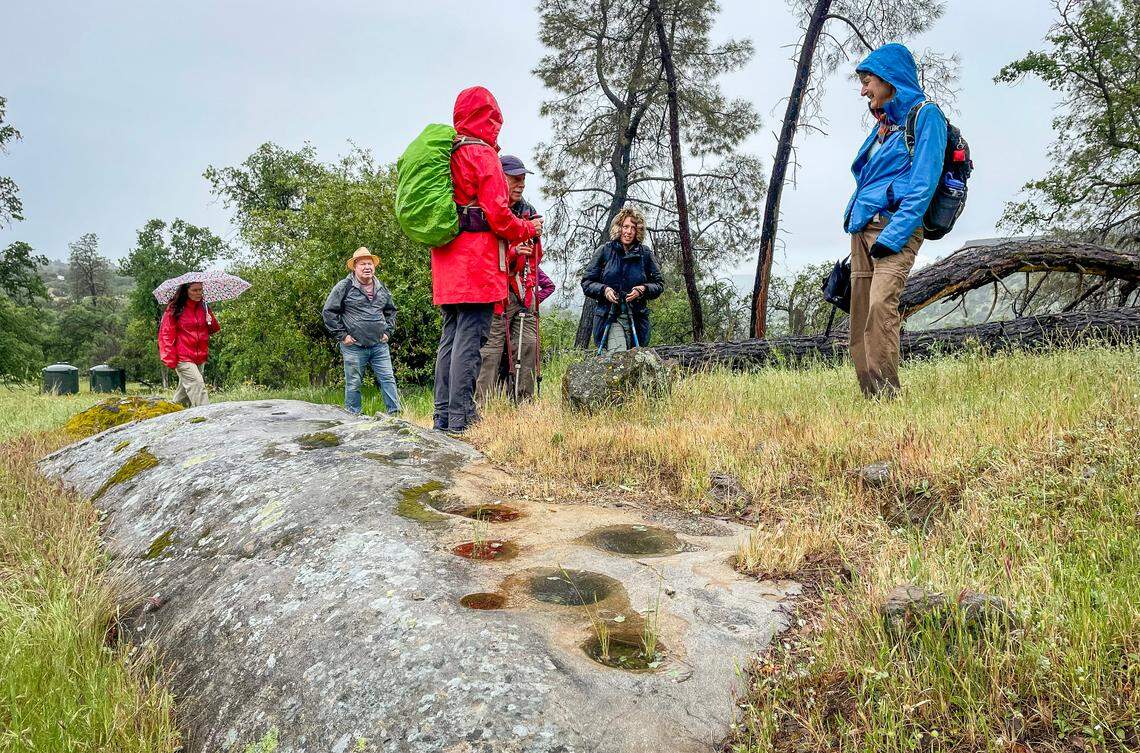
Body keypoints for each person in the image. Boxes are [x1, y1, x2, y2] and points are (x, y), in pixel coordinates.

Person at [431, 87, 542, 434]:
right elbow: (498, 214)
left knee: (450, 336)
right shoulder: (482, 155)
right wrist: (525, 228)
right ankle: (461, 417)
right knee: (471, 337)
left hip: (448, 258)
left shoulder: (449, 153)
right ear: (490, 118)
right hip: (475, 262)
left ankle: (442, 415)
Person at [844, 43, 947, 398]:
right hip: (862, 228)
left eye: (867, 80)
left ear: (889, 79)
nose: (863, 89)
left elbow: (924, 182)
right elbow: (869, 179)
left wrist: (897, 232)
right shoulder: (885, 126)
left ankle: (888, 396)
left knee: (880, 305)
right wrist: (853, 220)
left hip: (895, 228)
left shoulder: (926, 115)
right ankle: (870, 396)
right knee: (859, 315)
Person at [475, 154, 556, 402]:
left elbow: (536, 256)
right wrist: (512, 252)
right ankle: (483, 405)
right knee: (491, 351)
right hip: (497, 293)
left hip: (524, 291)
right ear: (501, 178)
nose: (521, 184)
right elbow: (485, 254)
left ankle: (524, 404)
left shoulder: (528, 211)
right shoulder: (489, 208)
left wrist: (533, 239)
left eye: (523, 179)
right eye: (515, 179)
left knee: (528, 345)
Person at [321, 247, 401, 416]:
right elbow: (328, 312)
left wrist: (388, 332)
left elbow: (391, 311)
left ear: (374, 266)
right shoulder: (344, 286)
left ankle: (395, 416)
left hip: (379, 345)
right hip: (354, 346)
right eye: (363, 264)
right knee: (354, 383)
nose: (367, 267)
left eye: (370, 263)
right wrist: (342, 336)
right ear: (354, 267)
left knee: (388, 379)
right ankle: (353, 417)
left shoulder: (381, 287)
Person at [581, 206, 664, 352]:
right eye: (626, 226)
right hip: (610, 316)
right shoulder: (604, 251)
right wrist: (604, 289)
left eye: (633, 227)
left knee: (636, 362)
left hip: (637, 318)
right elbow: (587, 282)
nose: (629, 231)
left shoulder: (644, 254)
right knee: (617, 354)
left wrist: (642, 289)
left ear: (638, 230)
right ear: (619, 228)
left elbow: (659, 284)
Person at [158, 281, 220, 407]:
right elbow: (165, 334)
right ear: (186, 292)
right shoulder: (174, 309)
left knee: (183, 394)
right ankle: (205, 418)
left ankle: (173, 412)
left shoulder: (204, 307)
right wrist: (169, 358)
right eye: (195, 290)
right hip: (183, 356)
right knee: (197, 385)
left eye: (200, 290)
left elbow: (213, 329)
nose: (199, 293)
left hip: (200, 356)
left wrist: (210, 320)